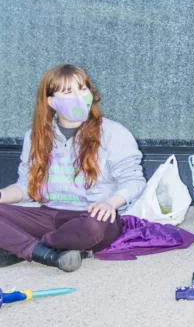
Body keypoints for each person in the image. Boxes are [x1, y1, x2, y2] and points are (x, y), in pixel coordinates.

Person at [0, 64, 145, 272]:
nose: (79, 97)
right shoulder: (35, 136)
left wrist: (110, 203)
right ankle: (44, 251)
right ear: (51, 102)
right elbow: (26, 186)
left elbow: (134, 181)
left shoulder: (114, 133)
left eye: (83, 89)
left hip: (92, 215)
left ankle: (24, 245)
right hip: (48, 214)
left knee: (92, 228)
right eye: (68, 92)